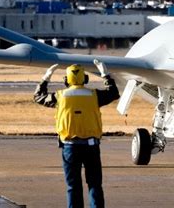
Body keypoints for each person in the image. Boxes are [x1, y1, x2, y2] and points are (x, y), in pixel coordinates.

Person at [34, 60, 120, 208]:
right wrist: (106, 75)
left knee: (73, 186)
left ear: (66, 80)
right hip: (91, 146)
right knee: (94, 184)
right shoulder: (94, 95)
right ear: (85, 79)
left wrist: (46, 78)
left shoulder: (60, 96)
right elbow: (114, 93)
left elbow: (38, 96)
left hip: (70, 147)